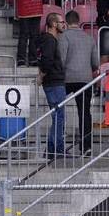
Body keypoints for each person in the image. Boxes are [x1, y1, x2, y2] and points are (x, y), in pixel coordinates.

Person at [59, 10, 99, 155]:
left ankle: (58, 143)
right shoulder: (89, 38)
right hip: (85, 80)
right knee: (85, 113)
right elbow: (96, 63)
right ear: (79, 21)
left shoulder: (64, 37)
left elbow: (61, 60)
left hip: (67, 79)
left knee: (58, 108)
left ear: (66, 22)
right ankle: (86, 147)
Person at [38, 12, 66, 160]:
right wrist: (41, 76)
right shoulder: (50, 40)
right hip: (54, 82)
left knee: (58, 116)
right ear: (54, 24)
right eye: (62, 22)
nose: (64, 25)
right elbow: (47, 60)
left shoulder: (48, 40)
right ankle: (57, 149)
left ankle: (51, 149)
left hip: (53, 82)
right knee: (59, 117)